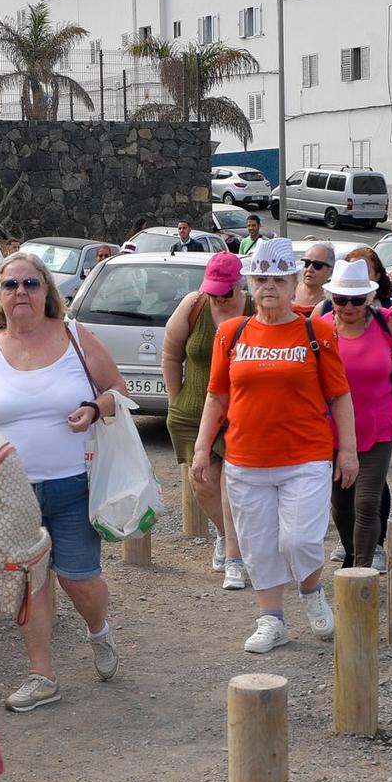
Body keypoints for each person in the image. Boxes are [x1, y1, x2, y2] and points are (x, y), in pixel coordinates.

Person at [0, 250, 131, 712]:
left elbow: (119, 390)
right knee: (28, 585)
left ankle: (99, 631)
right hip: (12, 495)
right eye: (10, 285)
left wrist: (96, 408)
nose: (20, 292)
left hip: (73, 485)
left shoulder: (75, 336)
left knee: (81, 583)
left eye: (30, 284)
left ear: (46, 292)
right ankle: (42, 674)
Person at [191, 237, 357, 653]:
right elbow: (217, 396)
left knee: (298, 539)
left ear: (292, 281)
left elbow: (339, 395)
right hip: (246, 458)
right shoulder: (232, 332)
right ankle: (272, 619)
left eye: (278, 278)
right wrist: (200, 448)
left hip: (306, 455)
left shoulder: (316, 331)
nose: (269, 286)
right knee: (258, 543)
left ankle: (311, 589)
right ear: (249, 282)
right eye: (261, 277)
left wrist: (348, 450)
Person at [164, 251, 254, 590]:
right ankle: (225, 535)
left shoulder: (254, 307)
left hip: (240, 412)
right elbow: (171, 353)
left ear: (238, 286)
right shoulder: (194, 305)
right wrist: (176, 401)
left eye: (225, 292)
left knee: (232, 485)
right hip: (194, 409)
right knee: (202, 482)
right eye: (213, 291)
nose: (219, 298)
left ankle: (236, 555)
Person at [323, 257, 392, 570]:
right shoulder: (318, 329)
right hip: (332, 430)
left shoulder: (388, 322)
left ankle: (361, 571)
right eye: (340, 300)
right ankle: (352, 554)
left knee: (367, 501)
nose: (348, 307)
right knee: (342, 505)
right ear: (331, 298)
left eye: (357, 300)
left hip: (379, 424)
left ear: (370, 298)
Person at [296, 242, 335, 312]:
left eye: (317, 265)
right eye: (306, 263)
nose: (309, 269)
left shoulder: (334, 302)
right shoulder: (288, 291)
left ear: (331, 271)